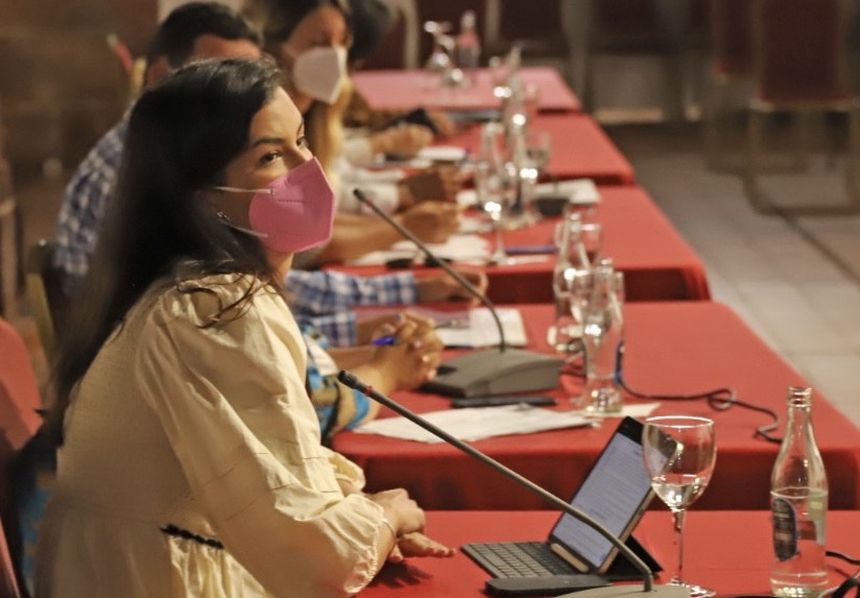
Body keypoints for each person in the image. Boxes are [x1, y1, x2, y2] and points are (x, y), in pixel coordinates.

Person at [36, 57, 454, 597]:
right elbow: (315, 557)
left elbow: (270, 479)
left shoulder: (181, 287)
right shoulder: (215, 308)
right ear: (205, 197)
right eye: (271, 156)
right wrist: (386, 517)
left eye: (301, 140)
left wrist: (362, 518)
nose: (308, 166)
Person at [54, 1, 484, 351]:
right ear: (163, 78)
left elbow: (266, 297)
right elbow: (224, 336)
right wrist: (370, 358)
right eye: (218, 77)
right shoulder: (152, 171)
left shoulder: (202, 173)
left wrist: (403, 294)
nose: (241, 94)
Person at [243, 0, 464, 263]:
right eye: (318, 43)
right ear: (272, 48)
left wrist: (402, 206)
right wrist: (404, 221)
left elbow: (319, 214)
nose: (335, 56)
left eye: (342, 42)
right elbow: (298, 241)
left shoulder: (317, 116)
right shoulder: (257, 126)